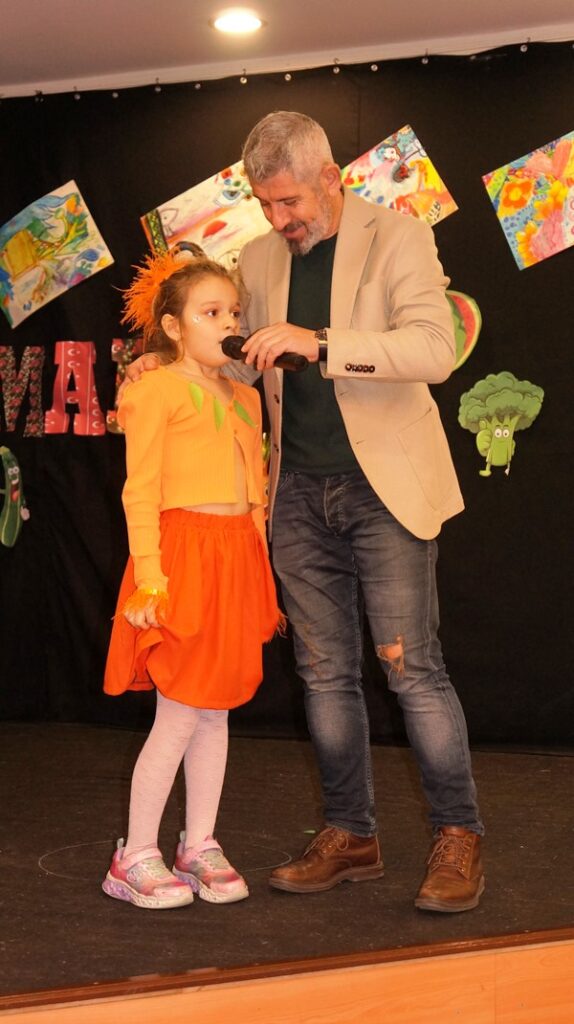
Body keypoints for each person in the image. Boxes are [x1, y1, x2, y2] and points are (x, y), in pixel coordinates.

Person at [127, 111, 485, 913]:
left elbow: (435, 349)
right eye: (265, 204)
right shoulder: (258, 257)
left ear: (331, 177)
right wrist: (166, 363)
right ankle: (351, 835)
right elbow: (242, 363)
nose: (278, 218)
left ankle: (458, 835)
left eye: (289, 201)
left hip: (385, 487)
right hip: (294, 494)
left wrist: (321, 342)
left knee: (411, 669)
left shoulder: (399, 236)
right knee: (323, 675)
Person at [102, 247, 284, 910]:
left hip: (236, 560)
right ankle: (134, 855)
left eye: (233, 312)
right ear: (173, 327)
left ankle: (198, 843)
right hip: (181, 560)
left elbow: (256, 495)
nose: (227, 323)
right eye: (210, 312)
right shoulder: (153, 390)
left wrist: (261, 575)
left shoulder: (246, 397)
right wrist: (150, 579)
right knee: (179, 711)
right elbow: (140, 491)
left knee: (215, 710)